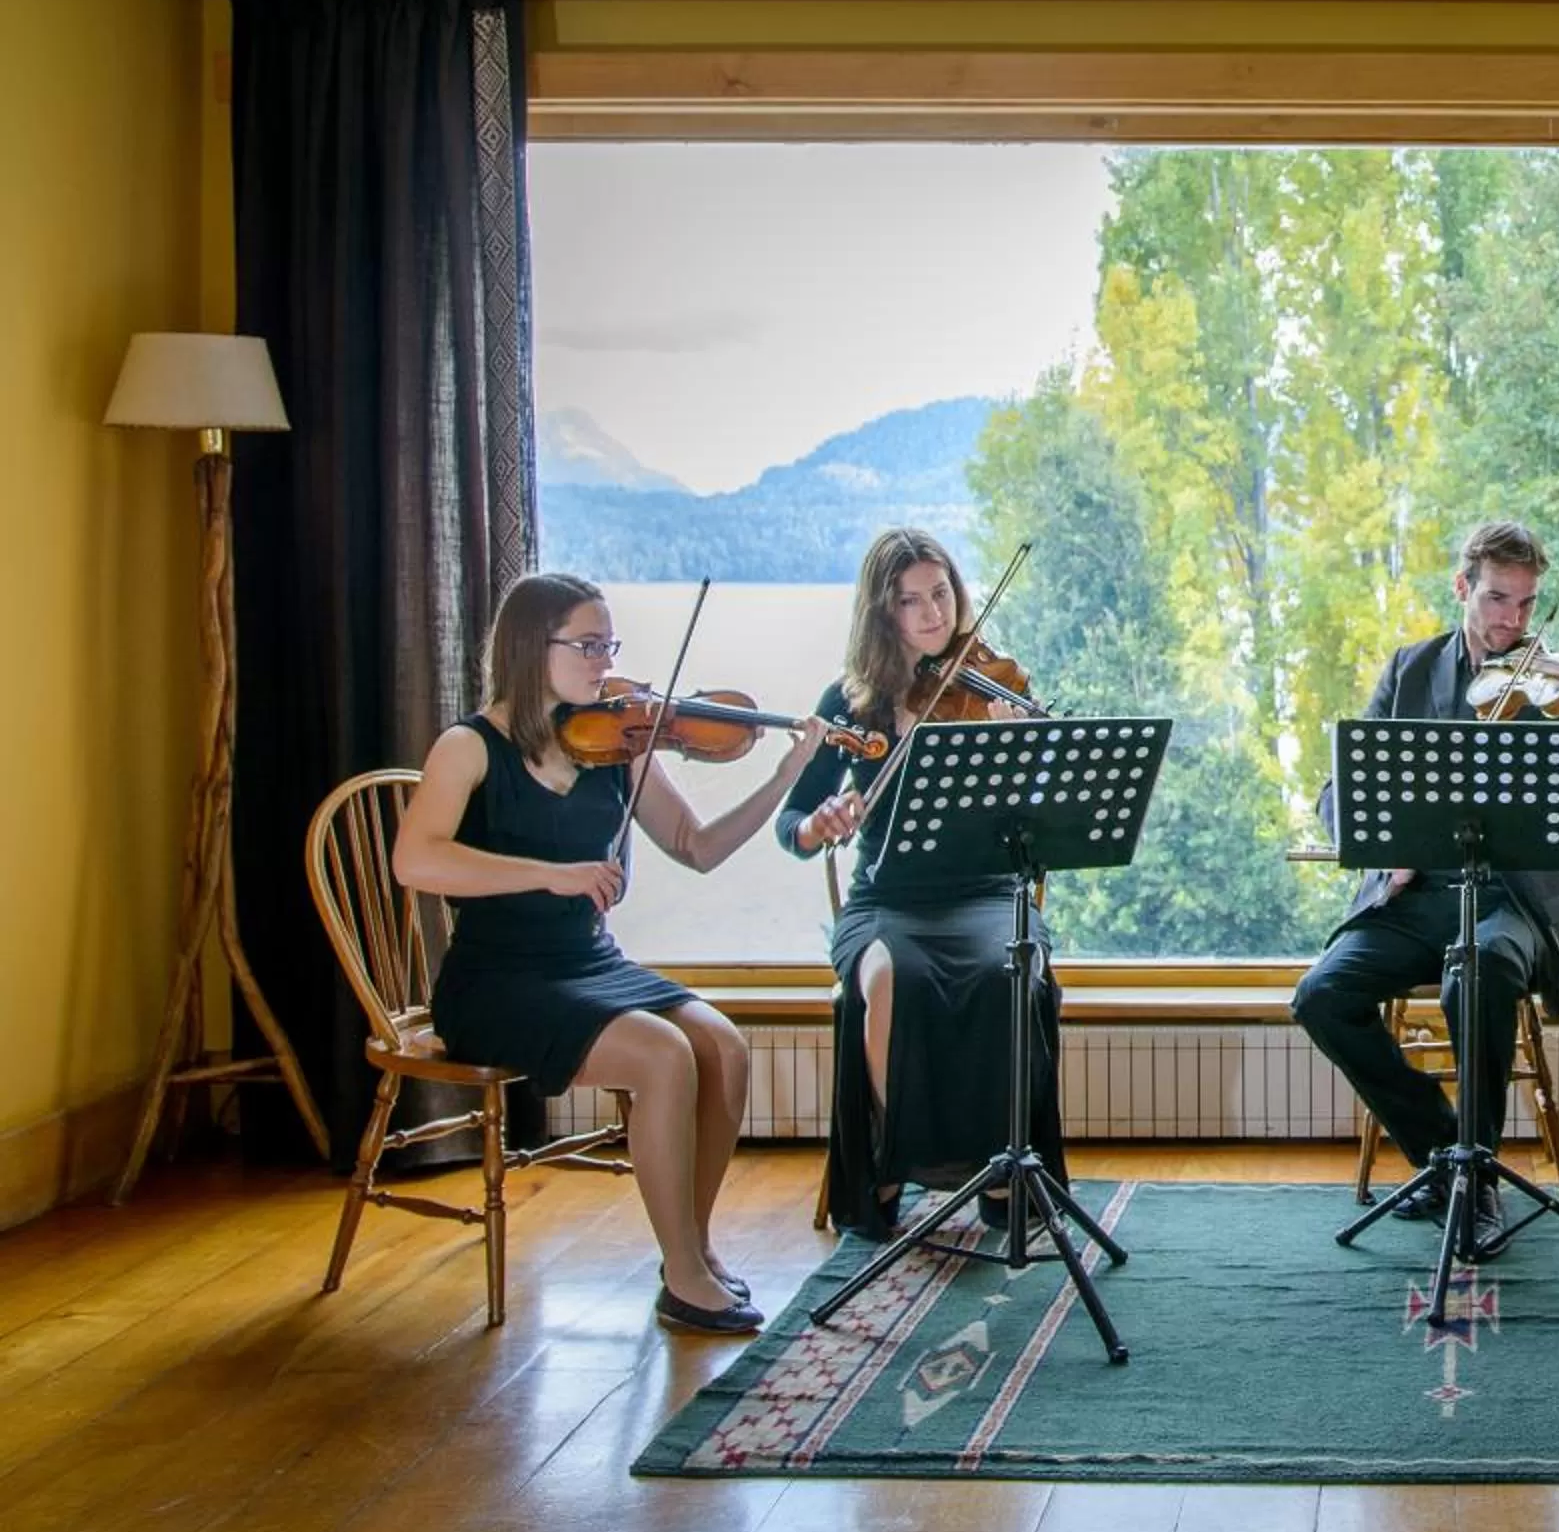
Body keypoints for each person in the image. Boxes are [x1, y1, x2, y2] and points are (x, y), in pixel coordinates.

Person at [394, 572, 824, 1335]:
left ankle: (687, 1249)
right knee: (663, 1055)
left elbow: (696, 847)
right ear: (533, 648)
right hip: (497, 979)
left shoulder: (617, 742)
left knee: (721, 1046)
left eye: (608, 644)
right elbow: (415, 861)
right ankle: (688, 1276)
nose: (605, 662)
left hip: (587, 962)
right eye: (588, 645)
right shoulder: (468, 747)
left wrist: (785, 779)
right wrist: (551, 875)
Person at [1290, 520, 1559, 1253]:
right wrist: (1386, 849)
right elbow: (1336, 790)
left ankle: (1475, 1184)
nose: (1513, 621)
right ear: (1462, 588)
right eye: (1499, 599)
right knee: (1320, 996)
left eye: (1528, 605)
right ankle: (1451, 1158)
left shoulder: (1554, 687)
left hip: (1514, 904)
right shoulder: (1410, 669)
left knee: (1476, 974)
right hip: (1416, 898)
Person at [777, 527, 1068, 1239]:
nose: (933, 613)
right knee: (888, 979)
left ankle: (999, 1166)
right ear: (883, 613)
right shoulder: (850, 703)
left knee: (1011, 972)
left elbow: (1045, 813)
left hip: (987, 891)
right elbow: (791, 823)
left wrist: (1015, 755)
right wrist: (820, 824)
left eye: (941, 594)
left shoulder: (994, 684)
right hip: (888, 899)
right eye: (911, 601)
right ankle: (894, 1157)